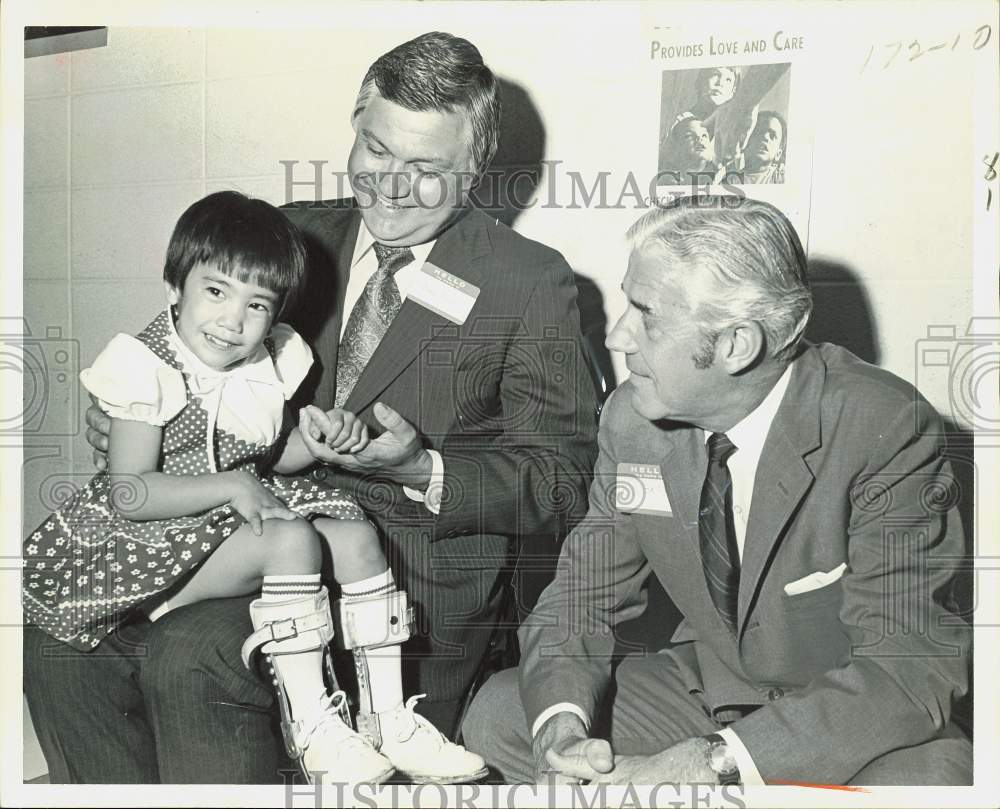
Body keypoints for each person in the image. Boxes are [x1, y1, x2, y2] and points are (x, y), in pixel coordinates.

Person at [25, 32, 597, 783]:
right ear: (355, 123)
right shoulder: (292, 235)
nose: (390, 185)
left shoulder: (531, 282)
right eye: (376, 149)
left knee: (192, 654)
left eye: (425, 169)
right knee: (57, 637)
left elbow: (563, 484)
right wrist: (135, 420)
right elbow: (185, 354)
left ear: (475, 171)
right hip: (252, 521)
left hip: (397, 574)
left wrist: (423, 466)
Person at [464, 195, 972, 786]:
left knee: (939, 783)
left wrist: (710, 761)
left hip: (845, 716)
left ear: (737, 344)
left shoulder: (884, 426)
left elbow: (910, 671)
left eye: (645, 313)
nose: (619, 337)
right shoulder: (633, 423)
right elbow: (583, 595)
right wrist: (563, 730)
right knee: (501, 713)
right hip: (711, 689)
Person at [22, 190, 485, 786]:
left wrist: (315, 446)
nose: (233, 322)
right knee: (291, 541)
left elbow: (269, 455)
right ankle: (314, 725)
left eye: (257, 305)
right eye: (216, 291)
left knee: (354, 537)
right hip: (148, 550)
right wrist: (233, 486)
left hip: (221, 521)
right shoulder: (143, 365)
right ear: (175, 286)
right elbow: (129, 493)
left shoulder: (268, 358)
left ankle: (389, 719)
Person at [657, 118, 723, 185]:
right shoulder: (669, 181)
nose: (700, 139)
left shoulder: (721, 177)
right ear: (677, 147)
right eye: (689, 136)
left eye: (704, 135)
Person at [727, 111, 786, 185]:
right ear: (747, 141)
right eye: (759, 132)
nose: (765, 137)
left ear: (778, 154)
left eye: (772, 136)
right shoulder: (731, 180)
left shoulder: (780, 177)